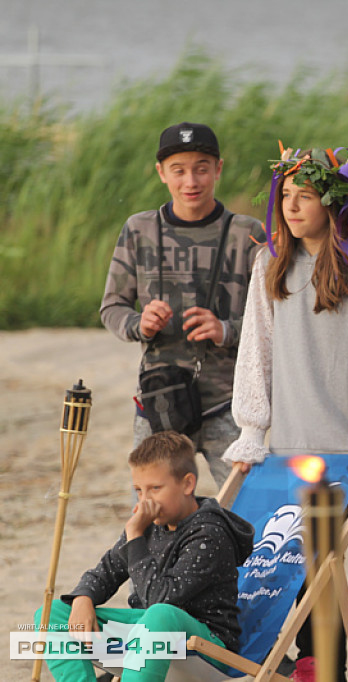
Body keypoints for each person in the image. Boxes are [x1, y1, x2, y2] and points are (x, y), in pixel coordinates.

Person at [222, 145, 348, 681]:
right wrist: (251, 430)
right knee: (281, 565)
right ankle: (304, 663)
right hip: (285, 445)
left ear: (333, 204)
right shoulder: (270, 264)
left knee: (319, 567)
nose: (291, 205)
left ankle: (321, 666)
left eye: (305, 196)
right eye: (286, 195)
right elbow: (255, 352)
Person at [100, 122, 265, 487]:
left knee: (250, 515)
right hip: (159, 403)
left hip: (232, 405)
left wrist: (227, 329)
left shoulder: (247, 233)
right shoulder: (138, 230)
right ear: (161, 173)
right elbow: (112, 307)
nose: (191, 181)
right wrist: (139, 324)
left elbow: (275, 320)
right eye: (179, 170)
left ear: (218, 169)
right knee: (152, 514)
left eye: (202, 168)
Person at [34, 431, 254, 681]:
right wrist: (83, 597)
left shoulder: (210, 534)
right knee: (52, 614)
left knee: (160, 614)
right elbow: (105, 571)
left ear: (187, 484)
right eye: (139, 490)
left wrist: (135, 536)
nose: (145, 500)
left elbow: (162, 599)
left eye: (155, 488)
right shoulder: (149, 526)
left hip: (206, 643)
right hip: (148, 633)